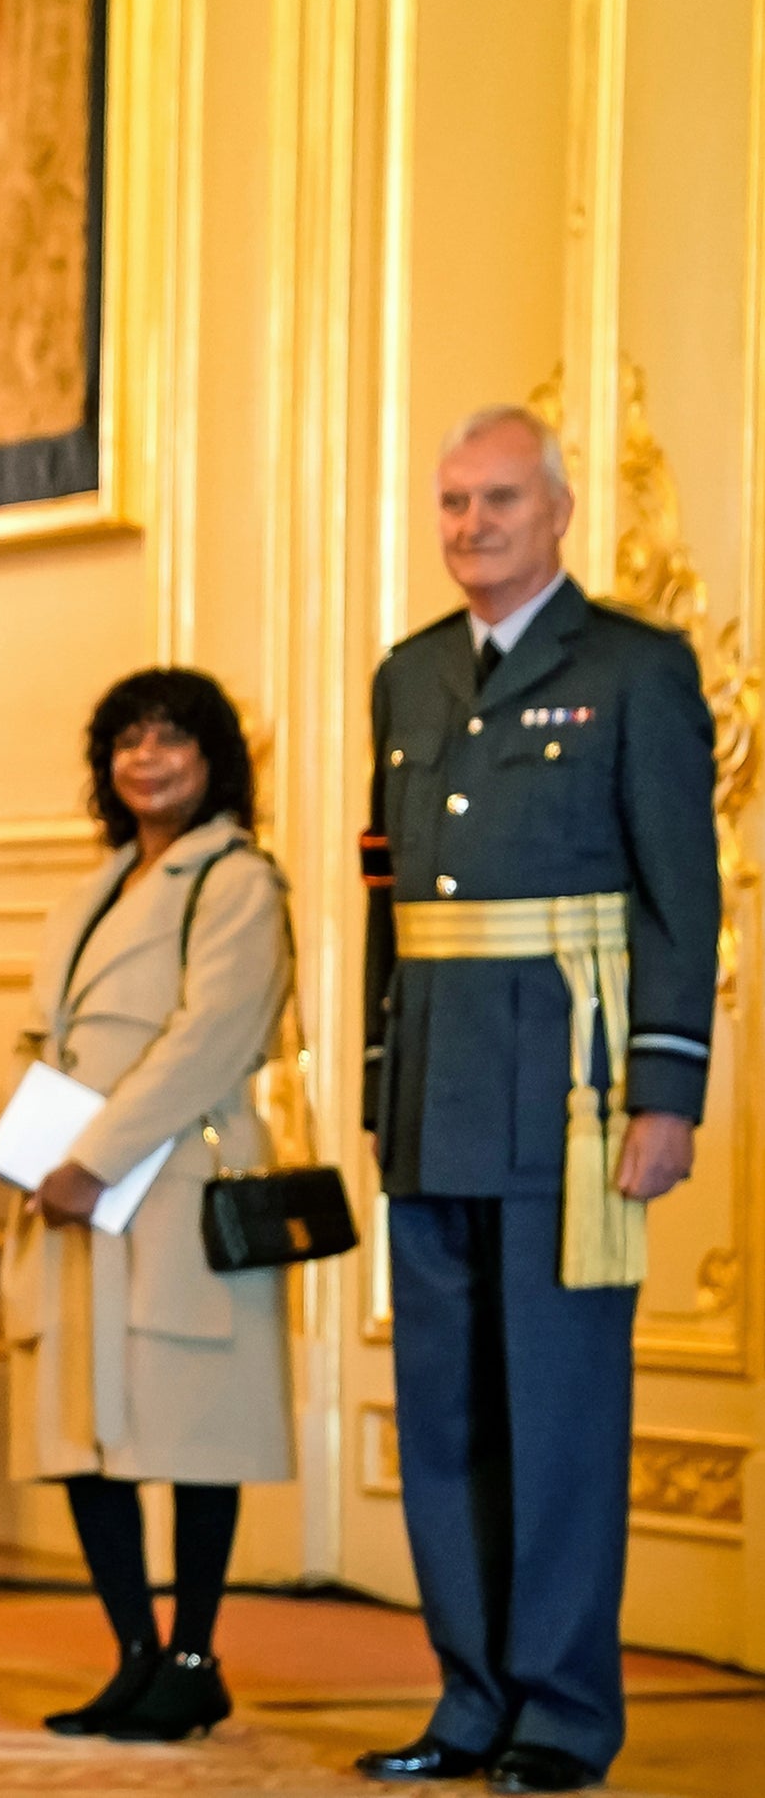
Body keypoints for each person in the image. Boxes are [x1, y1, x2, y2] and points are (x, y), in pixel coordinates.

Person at [356, 405, 716, 1794]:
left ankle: (560, 1713)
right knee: (442, 1414)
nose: (471, 526)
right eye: (451, 502)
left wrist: (664, 1092)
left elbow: (680, 897)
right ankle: (468, 1701)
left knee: (556, 1413)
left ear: (558, 511)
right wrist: (386, 1081)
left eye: (498, 499)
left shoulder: (629, 669)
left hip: (571, 1097)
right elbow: (388, 900)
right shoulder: (407, 676)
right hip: (438, 1091)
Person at [5, 666, 295, 1743]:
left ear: (213, 755)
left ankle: (193, 1652)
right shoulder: (99, 886)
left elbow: (206, 1041)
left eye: (172, 736)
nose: (148, 756)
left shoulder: (238, 881)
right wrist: (40, 1155)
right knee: (84, 1427)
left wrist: (96, 1156)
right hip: (74, 1187)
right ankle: (133, 1650)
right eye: (128, 738)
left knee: (195, 1425)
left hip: (173, 1178)